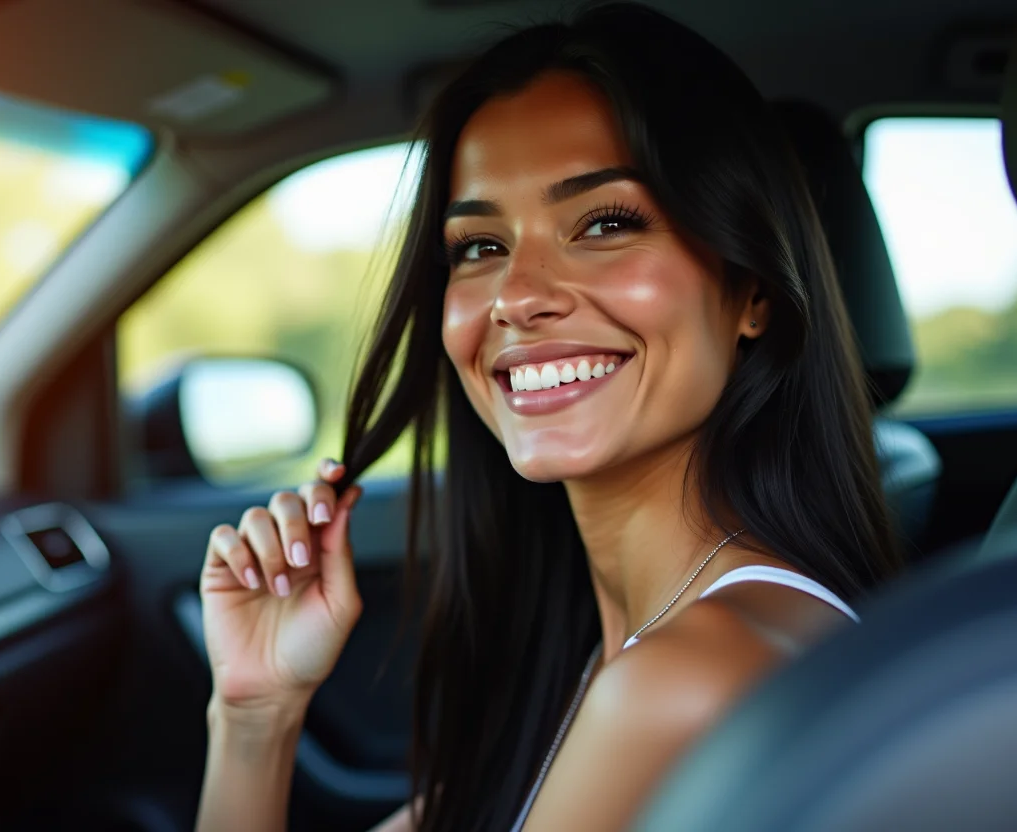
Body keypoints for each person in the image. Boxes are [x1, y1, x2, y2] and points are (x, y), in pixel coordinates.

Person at [195, 3, 902, 830]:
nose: (518, 295)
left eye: (605, 223)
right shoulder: (604, 655)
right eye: (479, 247)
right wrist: (254, 715)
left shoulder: (680, 686)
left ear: (750, 290)